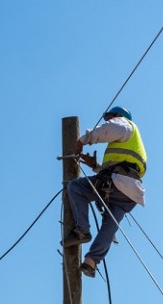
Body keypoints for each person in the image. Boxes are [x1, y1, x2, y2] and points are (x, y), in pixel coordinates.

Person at [63, 105, 147, 278]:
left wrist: (83, 140)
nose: (107, 120)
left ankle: (82, 230)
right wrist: (95, 166)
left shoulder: (125, 124)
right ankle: (91, 261)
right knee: (109, 226)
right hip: (130, 191)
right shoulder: (133, 142)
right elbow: (124, 168)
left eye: (109, 117)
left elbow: (110, 129)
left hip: (116, 182)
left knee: (76, 188)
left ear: (117, 115)